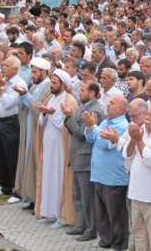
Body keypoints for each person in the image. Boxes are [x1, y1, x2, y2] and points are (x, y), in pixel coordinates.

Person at [84, 94, 130, 250]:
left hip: (114, 178)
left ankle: (119, 245)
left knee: (116, 215)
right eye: (108, 102)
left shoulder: (123, 125)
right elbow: (90, 138)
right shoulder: (105, 122)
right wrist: (91, 127)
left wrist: (94, 127)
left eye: (112, 103)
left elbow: (104, 143)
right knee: (101, 213)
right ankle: (105, 241)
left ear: (121, 109)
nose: (108, 105)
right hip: (99, 175)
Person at [62, 81, 105, 242]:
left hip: (85, 159)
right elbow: (74, 130)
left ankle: (91, 229)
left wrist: (68, 116)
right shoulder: (82, 107)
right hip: (77, 158)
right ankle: (81, 225)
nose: (79, 92)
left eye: (83, 90)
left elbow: (80, 133)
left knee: (88, 198)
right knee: (78, 195)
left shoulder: (96, 112)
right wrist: (69, 118)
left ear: (92, 93)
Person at [35, 69, 78, 228]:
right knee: (47, 177)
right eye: (51, 82)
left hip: (61, 146)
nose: (51, 85)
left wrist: (51, 114)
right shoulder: (49, 98)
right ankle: (48, 212)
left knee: (59, 178)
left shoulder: (69, 100)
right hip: (48, 142)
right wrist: (45, 114)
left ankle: (60, 215)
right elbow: (41, 123)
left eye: (54, 83)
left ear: (63, 85)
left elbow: (65, 125)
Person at [123, 103, 151, 251]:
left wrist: (139, 140)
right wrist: (133, 138)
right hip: (136, 196)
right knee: (140, 240)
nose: (147, 118)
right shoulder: (140, 131)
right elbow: (127, 157)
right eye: (147, 114)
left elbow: (150, 160)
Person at [13, 57, 52, 209]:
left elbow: (39, 108)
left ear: (44, 72)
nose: (32, 76)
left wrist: (26, 96)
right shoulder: (34, 87)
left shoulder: (48, 87)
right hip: (30, 129)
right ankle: (31, 198)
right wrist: (23, 95)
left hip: (39, 132)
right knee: (29, 164)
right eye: (32, 72)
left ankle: (39, 200)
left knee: (37, 164)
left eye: (35, 72)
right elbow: (28, 106)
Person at [0, 56, 28, 197]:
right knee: (0, 155)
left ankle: (16, 189)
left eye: (7, 65)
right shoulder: (2, 81)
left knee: (11, 156)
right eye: (3, 64)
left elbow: (8, 103)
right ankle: (5, 186)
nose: (3, 67)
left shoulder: (20, 83)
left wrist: (2, 87)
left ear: (16, 69)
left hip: (11, 123)